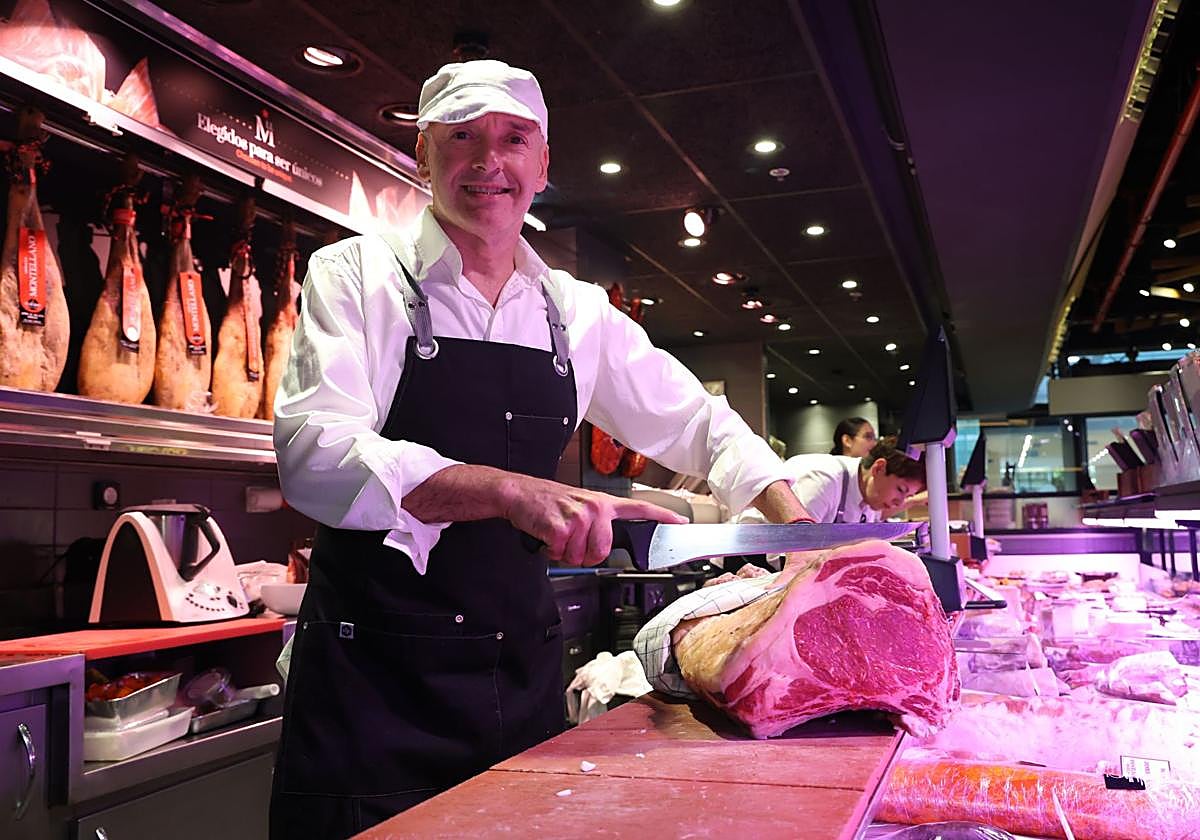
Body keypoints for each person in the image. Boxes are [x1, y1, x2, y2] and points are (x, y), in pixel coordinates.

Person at [268, 59, 813, 838]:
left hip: (515, 681)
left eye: (514, 139)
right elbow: (314, 454)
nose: (489, 161)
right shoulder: (356, 275)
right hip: (371, 696)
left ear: (544, 162)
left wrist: (796, 526)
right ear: (423, 153)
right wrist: (511, 492)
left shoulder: (575, 311)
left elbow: (701, 422)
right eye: (463, 137)